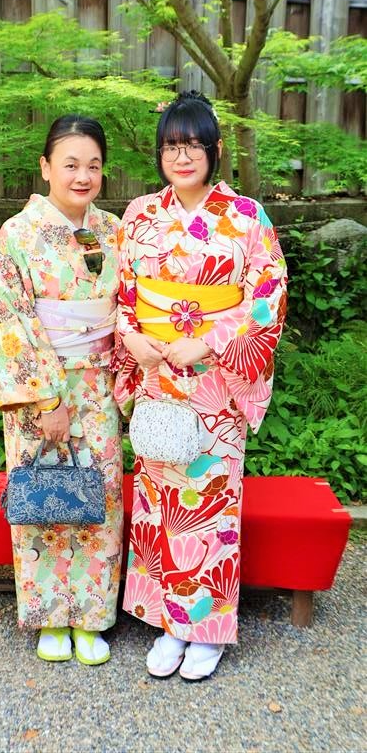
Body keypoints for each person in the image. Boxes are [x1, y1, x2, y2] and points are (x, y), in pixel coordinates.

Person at [112, 91, 287, 680]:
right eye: (171, 146)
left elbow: (267, 296)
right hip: (157, 376)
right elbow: (124, 293)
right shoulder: (140, 214)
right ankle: (168, 623)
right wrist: (131, 336)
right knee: (159, 502)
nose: (181, 157)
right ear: (159, 154)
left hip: (216, 385)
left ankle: (205, 631)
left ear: (214, 150)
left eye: (192, 145)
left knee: (209, 505)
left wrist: (209, 341)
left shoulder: (247, 217)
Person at [0, 115, 123, 666]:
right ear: (45, 168)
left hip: (99, 382)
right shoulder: (19, 234)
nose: (82, 176)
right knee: (45, 498)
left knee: (99, 496)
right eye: (70, 164)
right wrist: (47, 398)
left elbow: (129, 307)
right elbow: (6, 317)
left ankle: (91, 617)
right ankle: (49, 616)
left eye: (93, 165)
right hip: (41, 389)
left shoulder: (113, 229)